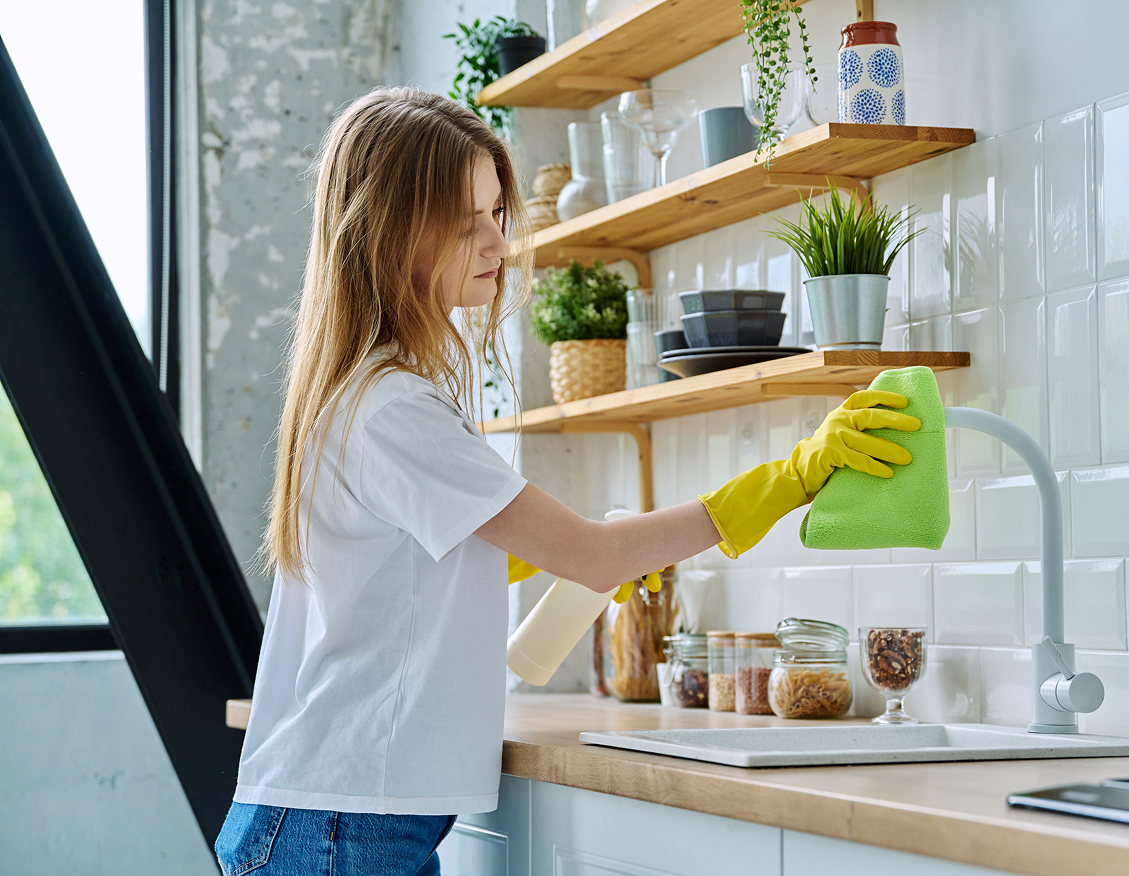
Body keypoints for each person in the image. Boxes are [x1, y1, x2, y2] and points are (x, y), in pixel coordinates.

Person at [212, 86, 920, 876]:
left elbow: (409, 567)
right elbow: (590, 553)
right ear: (389, 229)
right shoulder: (392, 406)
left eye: (497, 216)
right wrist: (794, 477)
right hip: (341, 824)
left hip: (339, 815)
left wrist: (545, 554)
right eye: (465, 220)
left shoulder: (374, 391)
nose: (497, 244)